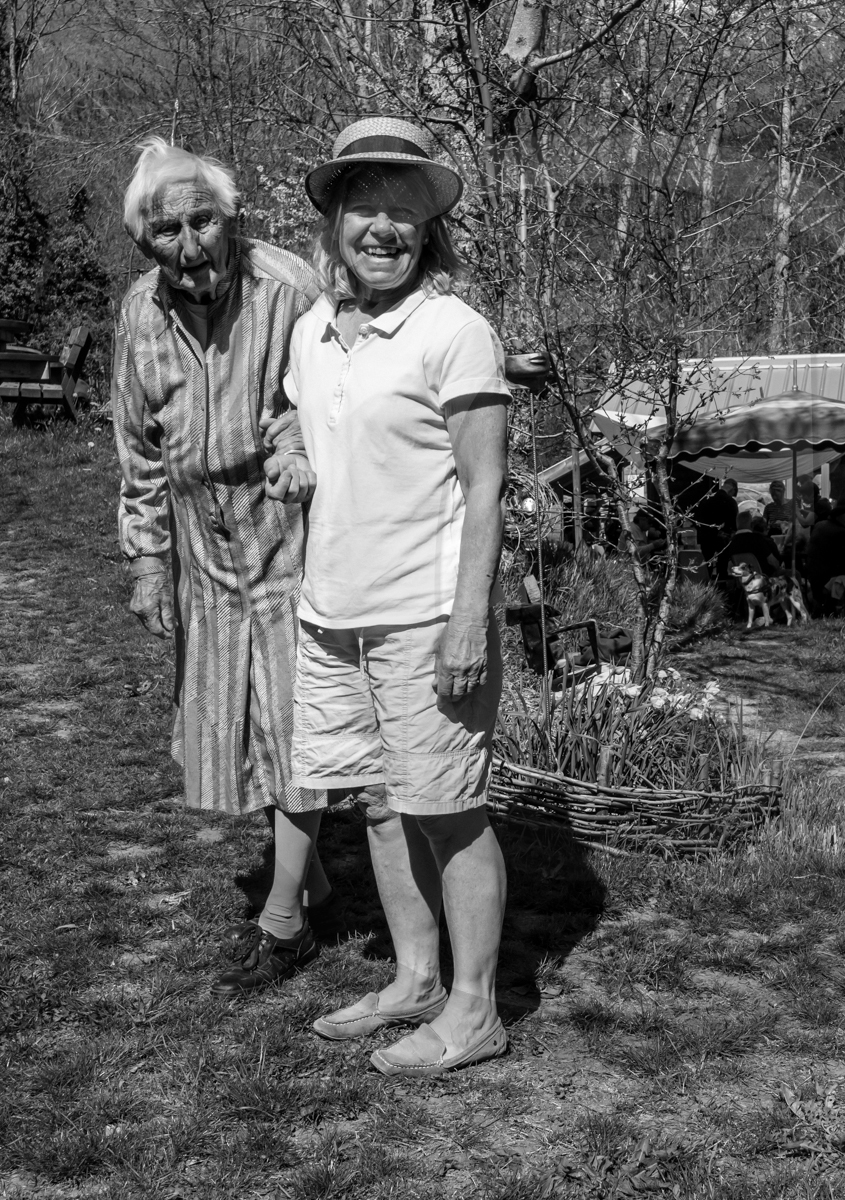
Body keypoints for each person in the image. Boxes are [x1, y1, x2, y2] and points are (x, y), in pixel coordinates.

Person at [287, 117, 510, 1078]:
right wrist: (287, 450)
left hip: (425, 614)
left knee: (448, 807)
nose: (383, 228)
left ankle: (475, 1010)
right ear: (335, 219)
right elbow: (306, 429)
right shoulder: (310, 333)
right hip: (331, 611)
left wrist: (469, 621)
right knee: (381, 803)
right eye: (365, 206)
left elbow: (486, 487)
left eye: (404, 211)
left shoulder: (453, 331)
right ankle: (415, 979)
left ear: (429, 228)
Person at [112, 139, 335, 999]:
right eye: (167, 231)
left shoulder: (288, 288)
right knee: (231, 728)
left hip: (288, 534)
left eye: (202, 220)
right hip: (203, 549)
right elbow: (138, 449)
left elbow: (332, 394)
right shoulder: (139, 314)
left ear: (229, 217)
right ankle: (312, 876)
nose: (189, 243)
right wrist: (147, 560)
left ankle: (284, 920)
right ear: (146, 242)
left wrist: (294, 441)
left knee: (292, 724)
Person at [807, 499, 845, 617]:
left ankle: (820, 607)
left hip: (812, 571)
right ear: (841, 518)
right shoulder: (842, 532)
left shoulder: (819, 525)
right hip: (828, 574)